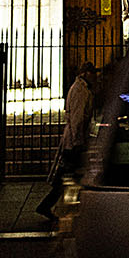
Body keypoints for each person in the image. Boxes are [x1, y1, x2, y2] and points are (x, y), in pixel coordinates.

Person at [37, 64, 96, 222]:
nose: (94, 77)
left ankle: (49, 205)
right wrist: (78, 142)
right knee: (70, 176)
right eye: (92, 74)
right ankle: (48, 205)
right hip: (74, 142)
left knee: (68, 176)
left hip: (74, 140)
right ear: (85, 73)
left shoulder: (80, 88)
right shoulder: (80, 90)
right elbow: (77, 119)